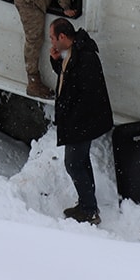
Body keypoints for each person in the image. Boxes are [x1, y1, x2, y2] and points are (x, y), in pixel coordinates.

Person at [48, 17, 114, 225]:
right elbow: (68, 78)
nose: (51, 42)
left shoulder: (85, 58)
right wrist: (56, 61)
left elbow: (86, 94)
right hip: (80, 122)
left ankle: (89, 210)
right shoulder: (74, 52)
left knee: (73, 164)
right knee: (81, 162)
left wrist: (71, 120)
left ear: (62, 36)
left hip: (81, 123)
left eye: (52, 38)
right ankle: (88, 204)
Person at [13, 0, 77, 99]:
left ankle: (33, 80)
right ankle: (33, 82)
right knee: (34, 39)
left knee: (34, 38)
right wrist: (65, 6)